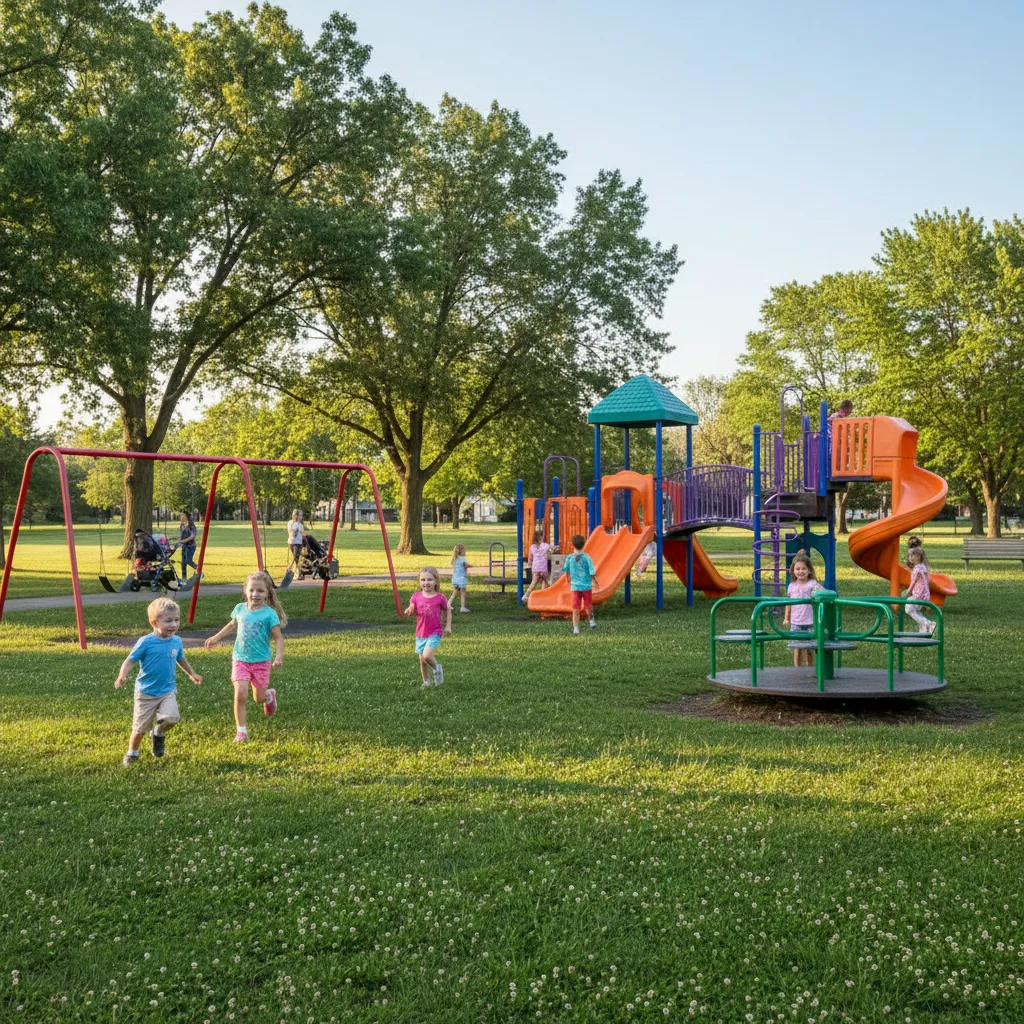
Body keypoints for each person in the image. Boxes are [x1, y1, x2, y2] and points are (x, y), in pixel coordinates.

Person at [115, 597, 202, 765]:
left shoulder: (176, 641)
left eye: (176, 620)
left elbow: (180, 658)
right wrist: (122, 675)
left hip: (167, 690)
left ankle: (158, 733)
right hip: (146, 693)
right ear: (154, 623)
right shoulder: (146, 642)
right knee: (140, 729)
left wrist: (191, 673)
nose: (174, 625)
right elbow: (129, 661)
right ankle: (132, 753)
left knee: (172, 717)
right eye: (168, 621)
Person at [204, 570, 286, 742]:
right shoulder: (239, 609)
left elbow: (278, 637)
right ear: (245, 590)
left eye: (260, 591)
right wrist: (216, 638)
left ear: (267, 593)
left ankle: (269, 696)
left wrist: (278, 657)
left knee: (258, 698)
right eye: (251, 590)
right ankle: (241, 731)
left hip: (261, 661)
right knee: (240, 693)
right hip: (240, 658)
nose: (255, 594)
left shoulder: (269, 614)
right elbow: (231, 625)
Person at [404, 566, 452, 689]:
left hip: (434, 632)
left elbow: (448, 611)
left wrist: (448, 626)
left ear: (436, 581)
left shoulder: (440, 597)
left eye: (429, 580)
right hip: (420, 632)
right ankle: (426, 681)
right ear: (419, 582)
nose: (426, 583)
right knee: (422, 660)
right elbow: (412, 607)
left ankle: (437, 668)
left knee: (427, 655)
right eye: (423, 580)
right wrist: (409, 610)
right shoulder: (415, 596)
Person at [783, 549, 823, 667]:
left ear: (809, 570)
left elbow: (824, 592)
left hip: (810, 622)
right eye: (798, 569)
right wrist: (786, 618)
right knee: (797, 648)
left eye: (804, 568)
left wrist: (818, 591)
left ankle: (810, 668)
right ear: (793, 571)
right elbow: (788, 603)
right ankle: (797, 668)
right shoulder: (791, 586)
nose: (801, 571)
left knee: (810, 648)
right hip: (796, 622)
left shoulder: (812, 584)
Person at [564, 533, 600, 634]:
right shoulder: (587, 557)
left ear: (572, 545)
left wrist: (568, 580)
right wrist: (596, 582)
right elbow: (592, 572)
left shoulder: (569, 558)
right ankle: (591, 620)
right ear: (584, 545)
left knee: (576, 607)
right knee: (588, 605)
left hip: (575, 586)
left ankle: (576, 628)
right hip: (586, 586)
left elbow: (567, 571)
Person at [902, 535, 935, 634]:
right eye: (909, 556)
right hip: (924, 594)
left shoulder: (917, 569)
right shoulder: (922, 566)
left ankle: (928, 623)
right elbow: (927, 580)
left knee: (908, 609)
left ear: (919, 557)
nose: (910, 558)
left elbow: (913, 582)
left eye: (913, 555)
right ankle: (924, 627)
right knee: (914, 610)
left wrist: (908, 592)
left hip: (919, 595)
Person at [524, 529, 551, 598]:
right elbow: (553, 550)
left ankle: (526, 595)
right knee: (545, 581)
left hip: (535, 568)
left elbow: (530, 559)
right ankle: (543, 596)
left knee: (534, 582)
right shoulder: (546, 546)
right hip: (543, 568)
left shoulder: (532, 547)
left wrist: (529, 565)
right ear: (542, 537)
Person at [178, 511, 199, 580]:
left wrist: (183, 541)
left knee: (188, 561)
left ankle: (199, 570)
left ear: (187, 517)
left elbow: (192, 536)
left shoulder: (191, 526)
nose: (181, 517)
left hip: (190, 546)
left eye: (183, 515)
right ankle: (184, 579)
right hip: (184, 546)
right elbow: (181, 535)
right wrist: (179, 540)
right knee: (183, 564)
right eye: (181, 515)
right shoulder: (181, 526)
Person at [449, 543, 470, 612]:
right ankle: (463, 607)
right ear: (463, 550)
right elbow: (465, 565)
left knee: (455, 592)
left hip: (455, 578)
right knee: (463, 593)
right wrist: (470, 565)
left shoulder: (454, 559)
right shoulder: (463, 558)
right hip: (461, 579)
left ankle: (448, 603)